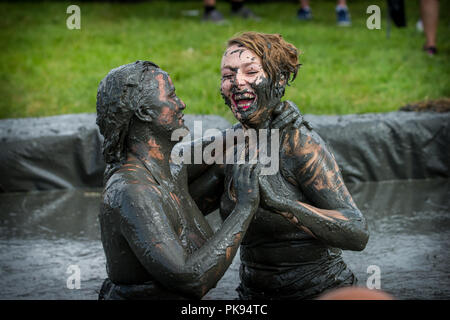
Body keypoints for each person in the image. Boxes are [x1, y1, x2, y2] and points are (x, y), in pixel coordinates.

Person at [95, 60, 300, 299]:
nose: (181, 104)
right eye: (171, 96)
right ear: (143, 112)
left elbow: (217, 147)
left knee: (229, 164)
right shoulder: (132, 191)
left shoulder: (167, 168)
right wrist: (244, 208)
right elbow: (192, 280)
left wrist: (268, 118)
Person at [197, 32, 369, 300]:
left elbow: (357, 233)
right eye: (228, 75)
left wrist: (282, 204)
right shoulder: (231, 145)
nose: (237, 81)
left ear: (278, 80)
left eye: (251, 71)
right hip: (253, 296)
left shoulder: (299, 143)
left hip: (319, 291)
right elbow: (182, 202)